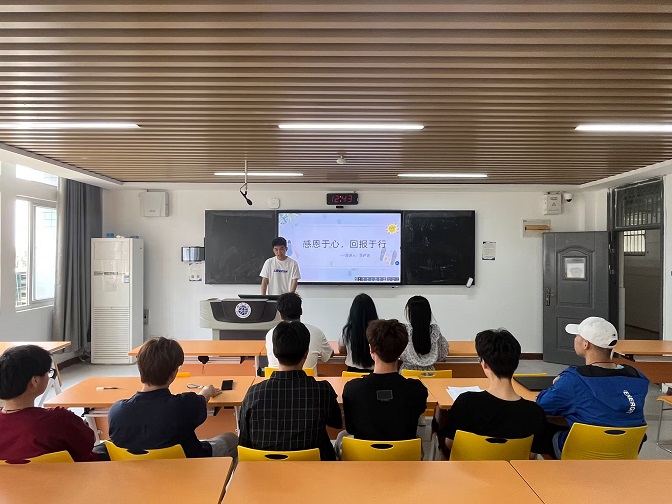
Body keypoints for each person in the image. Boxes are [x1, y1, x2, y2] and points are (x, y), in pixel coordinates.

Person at [536, 317, 649, 459]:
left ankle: (554, 471)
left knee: (538, 426)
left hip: (584, 451)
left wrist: (557, 384)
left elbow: (542, 405)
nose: (575, 339)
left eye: (577, 336)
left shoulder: (574, 379)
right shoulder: (637, 376)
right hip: (626, 450)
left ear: (585, 344)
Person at [108, 337, 238, 458]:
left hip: (136, 471)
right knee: (231, 439)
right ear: (174, 373)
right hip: (190, 465)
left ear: (140, 368)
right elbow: (202, 399)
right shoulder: (185, 405)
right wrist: (207, 391)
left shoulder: (117, 412)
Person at [239, 321, 342, 460]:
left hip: (266, 469)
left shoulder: (254, 393)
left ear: (274, 352)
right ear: (306, 353)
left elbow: (244, 441)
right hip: (315, 468)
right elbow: (336, 423)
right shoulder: (322, 390)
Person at [440, 329, 546, 458]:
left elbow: (450, 443)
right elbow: (531, 455)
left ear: (484, 364)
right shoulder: (534, 412)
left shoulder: (466, 402)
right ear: (516, 363)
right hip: (510, 470)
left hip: (468, 470)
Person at [0, 345, 97, 462]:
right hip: (68, 473)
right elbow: (88, 443)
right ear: (35, 381)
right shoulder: (59, 420)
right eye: (48, 372)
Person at [342, 319, 428, 441]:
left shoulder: (352, 389)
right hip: (404, 452)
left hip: (363, 452)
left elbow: (351, 428)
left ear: (371, 349)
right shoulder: (417, 389)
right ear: (402, 350)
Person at [265, 292, 332, 371]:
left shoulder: (271, 334)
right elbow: (327, 356)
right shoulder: (317, 332)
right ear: (301, 311)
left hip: (274, 378)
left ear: (280, 314)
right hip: (307, 378)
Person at [399, 295, 449, 371]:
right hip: (430, 375)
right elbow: (442, 355)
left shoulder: (405, 331)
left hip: (407, 374)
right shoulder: (435, 332)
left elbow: (397, 353)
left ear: (410, 313)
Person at [338, 293, 379, 372]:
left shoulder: (347, 330)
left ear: (353, 311)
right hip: (373, 374)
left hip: (351, 374)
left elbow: (341, 349)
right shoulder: (378, 330)